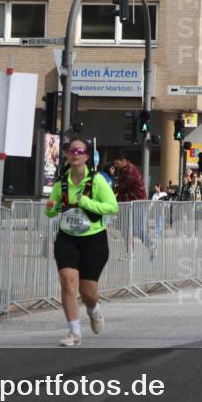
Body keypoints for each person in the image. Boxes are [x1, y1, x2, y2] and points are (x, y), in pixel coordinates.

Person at [45, 138, 119, 346]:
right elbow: (51, 211)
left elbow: (112, 207)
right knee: (68, 281)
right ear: (67, 155)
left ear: (86, 156)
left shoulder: (97, 181)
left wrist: (86, 202)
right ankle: (74, 333)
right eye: (71, 151)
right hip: (68, 237)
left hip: (94, 239)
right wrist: (50, 207)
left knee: (88, 292)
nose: (75, 154)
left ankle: (93, 310)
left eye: (79, 151)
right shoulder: (61, 183)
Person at [113, 153, 156, 259]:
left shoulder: (131, 171)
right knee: (125, 229)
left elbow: (121, 187)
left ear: (123, 160)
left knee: (136, 229)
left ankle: (152, 245)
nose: (116, 166)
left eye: (117, 163)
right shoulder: (122, 170)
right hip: (128, 203)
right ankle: (130, 254)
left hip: (138, 203)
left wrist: (109, 191)